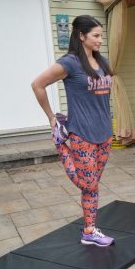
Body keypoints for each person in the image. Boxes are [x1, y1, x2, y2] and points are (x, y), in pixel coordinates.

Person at [31, 15, 115, 246]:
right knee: (87, 184)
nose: (100, 40)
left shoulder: (103, 61)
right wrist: (51, 118)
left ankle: (89, 230)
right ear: (81, 36)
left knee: (94, 184)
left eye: (101, 35)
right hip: (81, 133)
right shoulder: (69, 63)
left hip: (105, 133)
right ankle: (60, 144)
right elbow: (37, 84)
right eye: (96, 36)